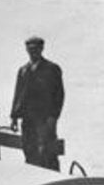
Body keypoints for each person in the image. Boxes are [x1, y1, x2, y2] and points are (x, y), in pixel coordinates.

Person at [10, 36, 65, 171]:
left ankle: (53, 182)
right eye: (30, 49)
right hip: (27, 120)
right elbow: (18, 94)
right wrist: (14, 117)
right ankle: (32, 179)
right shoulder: (23, 70)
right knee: (29, 152)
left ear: (42, 49)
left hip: (44, 120)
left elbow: (59, 95)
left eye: (36, 49)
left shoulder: (52, 69)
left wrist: (53, 117)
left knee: (48, 153)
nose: (33, 52)